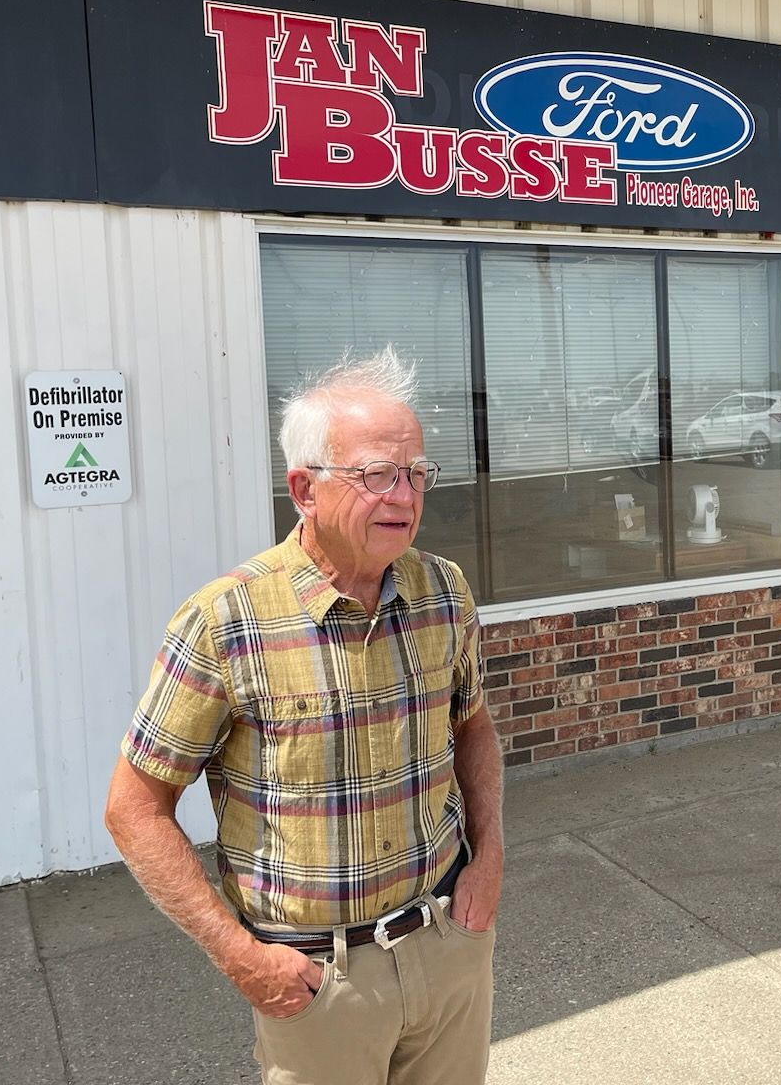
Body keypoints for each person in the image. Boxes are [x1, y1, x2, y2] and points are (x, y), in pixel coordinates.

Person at [105, 348, 503, 1085]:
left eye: (417, 473)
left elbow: (472, 725)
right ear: (304, 489)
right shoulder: (226, 619)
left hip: (448, 941)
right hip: (319, 980)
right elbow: (134, 808)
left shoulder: (444, 590)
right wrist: (242, 959)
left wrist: (490, 863)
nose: (404, 495)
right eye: (376, 474)